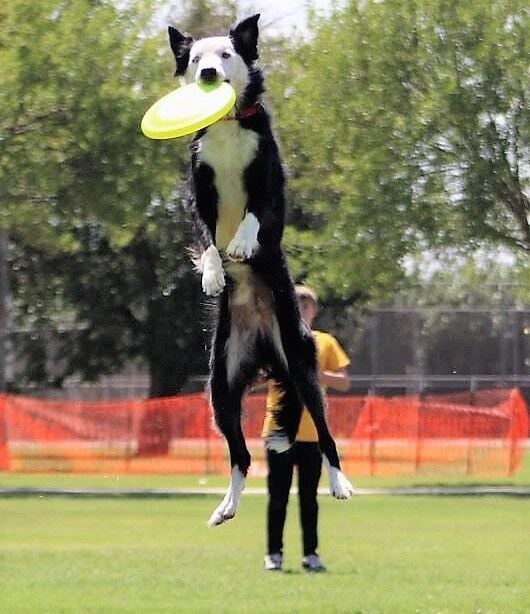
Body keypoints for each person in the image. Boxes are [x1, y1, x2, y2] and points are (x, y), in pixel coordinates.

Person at [262, 285, 350, 572]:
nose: (300, 309)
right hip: (279, 429)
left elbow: (344, 382)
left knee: (309, 497)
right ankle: (274, 554)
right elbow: (259, 375)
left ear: (315, 311)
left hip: (312, 432)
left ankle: (310, 554)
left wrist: (316, 372)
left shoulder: (325, 342)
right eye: (295, 304)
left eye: (306, 305)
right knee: (278, 495)